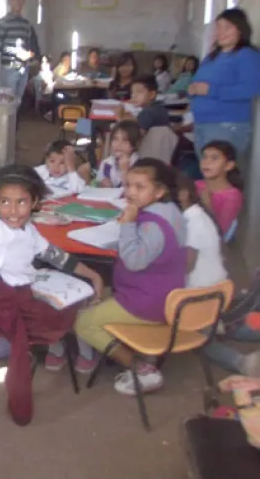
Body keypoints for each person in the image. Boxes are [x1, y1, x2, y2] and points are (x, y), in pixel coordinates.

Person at [0, 165, 104, 423]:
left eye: (21, 202)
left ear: (35, 202)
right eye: (5, 202)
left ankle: (53, 347)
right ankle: (47, 346)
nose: (13, 210)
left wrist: (91, 274)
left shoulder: (26, 228)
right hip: (2, 301)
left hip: (22, 287)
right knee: (67, 312)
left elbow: (53, 254)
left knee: (73, 296)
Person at [76, 158, 187, 396]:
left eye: (139, 187)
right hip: (164, 294)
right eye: (128, 185)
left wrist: (127, 226)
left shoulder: (152, 224)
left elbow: (134, 261)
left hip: (147, 302)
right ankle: (139, 351)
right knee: (100, 298)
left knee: (83, 323)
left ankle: (141, 368)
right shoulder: (171, 210)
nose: (130, 192)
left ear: (159, 191)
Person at [188, 8, 260, 161]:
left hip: (226, 126)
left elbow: (250, 90)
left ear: (241, 29)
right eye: (218, 27)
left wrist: (210, 90)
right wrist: (193, 90)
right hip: (202, 124)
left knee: (221, 176)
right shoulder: (212, 57)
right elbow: (199, 84)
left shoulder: (247, 55)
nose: (221, 32)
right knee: (209, 175)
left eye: (227, 27)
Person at [176, 173, 227, 289]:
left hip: (202, 291)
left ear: (183, 194)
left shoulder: (193, 221)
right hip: (210, 287)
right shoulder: (196, 214)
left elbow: (188, 264)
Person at [0, 0, 40, 99]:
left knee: (18, 101)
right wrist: (16, 52)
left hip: (23, 67)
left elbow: (28, 45)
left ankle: (16, 117)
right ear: (9, 2)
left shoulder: (26, 24)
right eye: (13, 0)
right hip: (9, 67)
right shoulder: (2, 22)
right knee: (8, 100)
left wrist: (30, 54)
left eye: (19, 0)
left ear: (23, 2)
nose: (16, 3)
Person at [196, 140, 243, 238]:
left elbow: (220, 233)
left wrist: (208, 205)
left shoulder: (232, 196)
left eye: (214, 158)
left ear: (229, 165)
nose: (206, 162)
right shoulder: (195, 185)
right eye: (204, 157)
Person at [94, 121, 140, 188]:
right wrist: (102, 184)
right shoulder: (106, 164)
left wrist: (125, 171)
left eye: (125, 140)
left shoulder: (138, 165)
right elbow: (97, 184)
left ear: (134, 145)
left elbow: (133, 191)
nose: (118, 144)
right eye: (115, 139)